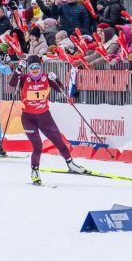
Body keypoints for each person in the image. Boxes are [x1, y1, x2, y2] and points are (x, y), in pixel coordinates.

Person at [9, 55, 88, 185]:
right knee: (37, 146)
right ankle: (35, 172)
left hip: (45, 117)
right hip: (28, 118)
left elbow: (60, 89)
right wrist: (18, 69)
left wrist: (56, 79)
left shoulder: (46, 77)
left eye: (37, 67)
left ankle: (71, 164)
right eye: (32, 67)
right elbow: (12, 83)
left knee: (59, 141)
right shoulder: (23, 79)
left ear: (41, 67)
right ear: (28, 68)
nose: (35, 69)